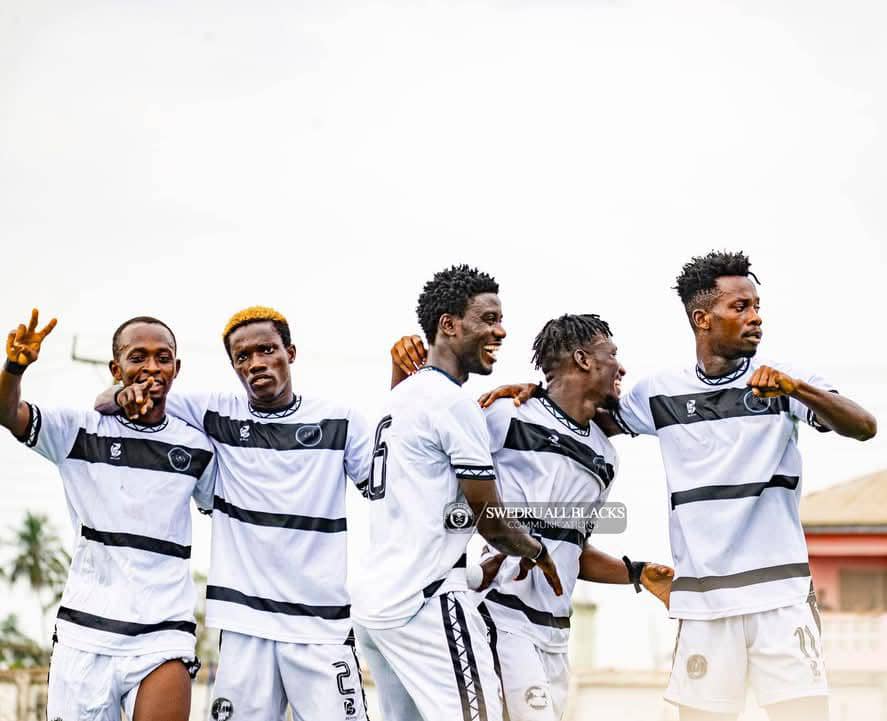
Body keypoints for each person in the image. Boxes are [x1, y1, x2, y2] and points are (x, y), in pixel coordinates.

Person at [479, 251, 878, 721]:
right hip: (703, 604)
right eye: (741, 307)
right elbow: (581, 413)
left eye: (756, 306)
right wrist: (533, 392)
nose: (755, 317)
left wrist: (796, 390)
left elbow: (863, 426)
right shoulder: (659, 392)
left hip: (780, 595)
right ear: (702, 318)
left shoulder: (783, 381)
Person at [390, 313, 674, 721]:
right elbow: (417, 454)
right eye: (612, 354)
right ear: (582, 359)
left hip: (555, 635)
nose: (622, 368)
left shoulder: (605, 456)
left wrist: (636, 573)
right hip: (501, 616)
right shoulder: (507, 414)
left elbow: (568, 552)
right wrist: (401, 377)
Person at [101, 306, 371, 721]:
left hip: (321, 627)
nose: (256, 363)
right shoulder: (215, 413)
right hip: (244, 627)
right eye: (243, 356)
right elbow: (109, 402)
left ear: (290, 352)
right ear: (234, 366)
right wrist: (121, 395)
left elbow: (385, 490)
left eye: (267, 350)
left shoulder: (340, 421)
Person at [349, 265, 564, 721]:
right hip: (423, 608)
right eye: (488, 319)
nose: (500, 331)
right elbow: (491, 519)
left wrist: (473, 572)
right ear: (448, 325)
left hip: (376, 606)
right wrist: (537, 551)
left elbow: (412, 510)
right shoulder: (452, 402)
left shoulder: (397, 397)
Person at [1, 310, 215, 721]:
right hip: (85, 636)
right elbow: (8, 413)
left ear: (176, 368)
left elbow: (224, 510)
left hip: (163, 633)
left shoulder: (197, 447)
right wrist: (14, 367)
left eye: (163, 357)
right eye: (138, 357)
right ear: (116, 368)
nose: (151, 367)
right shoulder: (76, 430)